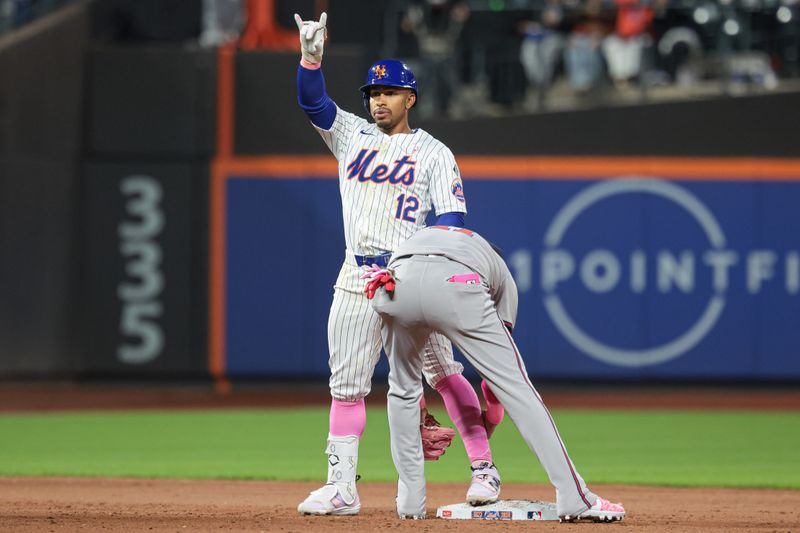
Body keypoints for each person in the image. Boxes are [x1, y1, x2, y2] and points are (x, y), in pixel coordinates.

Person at [293, 13, 499, 516]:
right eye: (372, 93)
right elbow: (313, 102)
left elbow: (451, 222)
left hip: (412, 275)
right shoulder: (351, 137)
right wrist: (311, 59)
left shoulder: (434, 153)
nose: (378, 100)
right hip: (356, 275)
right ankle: (341, 487)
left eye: (389, 92)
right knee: (346, 385)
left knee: (446, 374)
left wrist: (445, 272)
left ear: (411, 98)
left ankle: (484, 470)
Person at [367, 225, 627, 522]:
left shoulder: (433, 235)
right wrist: (490, 419)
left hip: (396, 282)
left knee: (402, 389)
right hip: (455, 282)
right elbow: (497, 383)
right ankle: (574, 496)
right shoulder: (500, 270)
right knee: (518, 387)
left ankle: (410, 503)